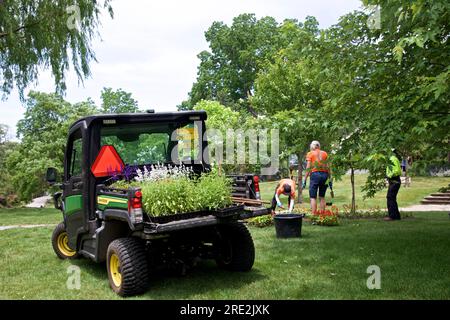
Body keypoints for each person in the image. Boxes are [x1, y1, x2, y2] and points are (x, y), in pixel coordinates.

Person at [302, 141, 331, 214]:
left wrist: (304, 180)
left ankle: (314, 216)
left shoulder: (310, 153)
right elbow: (328, 167)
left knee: (313, 197)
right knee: (322, 196)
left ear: (312, 147)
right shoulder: (325, 153)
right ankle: (322, 216)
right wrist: (330, 179)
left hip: (315, 175)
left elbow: (308, 167)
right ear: (319, 146)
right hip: (325, 175)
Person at [385, 148, 402, 221]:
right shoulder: (392, 158)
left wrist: (389, 175)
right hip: (394, 180)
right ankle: (396, 216)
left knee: (390, 197)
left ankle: (392, 216)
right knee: (391, 198)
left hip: (394, 180)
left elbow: (397, 171)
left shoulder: (393, 159)